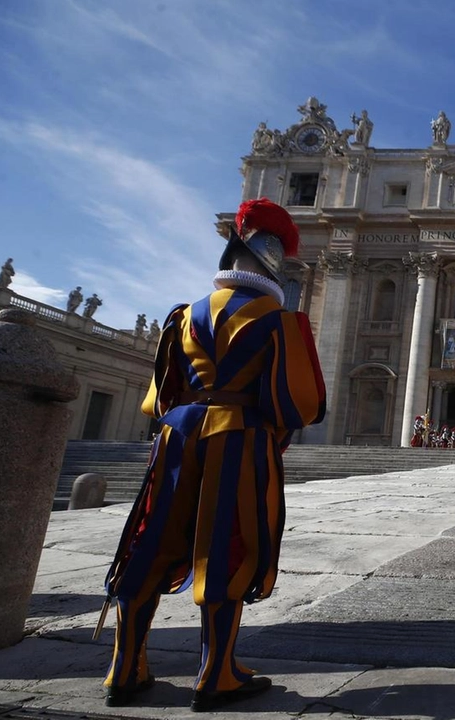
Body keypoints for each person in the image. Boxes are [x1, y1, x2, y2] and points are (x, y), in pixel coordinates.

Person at [100, 198, 326, 712]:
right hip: (241, 437)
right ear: (275, 261)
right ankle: (216, 673)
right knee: (229, 544)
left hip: (179, 436)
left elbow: (159, 397)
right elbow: (298, 404)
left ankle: (124, 667)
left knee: (151, 537)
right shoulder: (279, 322)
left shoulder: (183, 316)